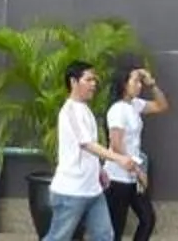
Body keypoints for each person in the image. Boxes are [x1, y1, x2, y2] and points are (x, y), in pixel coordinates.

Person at [41, 62, 133, 241]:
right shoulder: (70, 111)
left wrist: (100, 170)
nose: (94, 84)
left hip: (93, 191)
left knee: (105, 236)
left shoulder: (85, 110)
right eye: (88, 79)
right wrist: (119, 159)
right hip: (71, 192)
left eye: (94, 80)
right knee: (57, 238)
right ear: (74, 82)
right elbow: (86, 144)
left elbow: (87, 149)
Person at [105, 65, 170, 241]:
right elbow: (116, 145)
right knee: (116, 229)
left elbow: (161, 106)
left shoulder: (134, 105)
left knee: (148, 219)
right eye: (135, 81)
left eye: (140, 82)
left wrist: (152, 84)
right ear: (124, 84)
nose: (140, 85)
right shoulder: (117, 110)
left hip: (133, 177)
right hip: (117, 177)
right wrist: (138, 171)